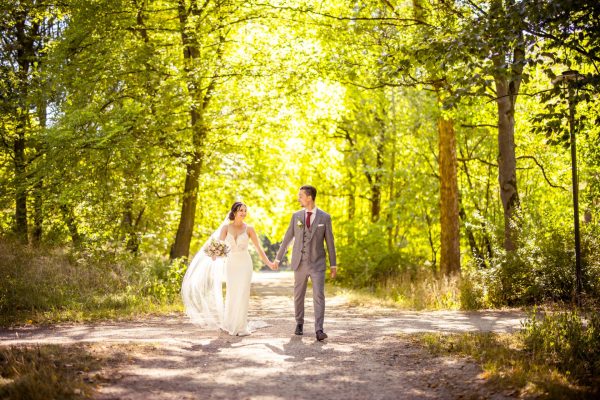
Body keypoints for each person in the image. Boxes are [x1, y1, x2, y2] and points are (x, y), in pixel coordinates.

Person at [181, 202, 274, 336]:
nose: (243, 213)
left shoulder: (249, 229)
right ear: (234, 212)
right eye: (240, 210)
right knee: (232, 293)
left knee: (242, 293)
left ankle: (240, 327)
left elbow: (259, 249)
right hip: (231, 264)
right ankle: (230, 324)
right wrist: (214, 254)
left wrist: (269, 263)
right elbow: (219, 246)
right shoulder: (225, 228)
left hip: (245, 263)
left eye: (245, 211)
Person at [273, 185, 336, 341]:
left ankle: (319, 329)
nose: (298, 198)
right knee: (298, 295)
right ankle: (299, 323)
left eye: (301, 195)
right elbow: (287, 238)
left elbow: (330, 242)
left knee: (319, 296)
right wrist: (278, 259)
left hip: (318, 263)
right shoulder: (296, 216)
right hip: (299, 263)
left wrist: (333, 265)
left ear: (309, 197)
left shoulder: (324, 217)